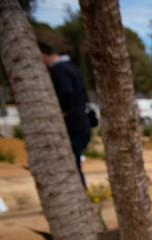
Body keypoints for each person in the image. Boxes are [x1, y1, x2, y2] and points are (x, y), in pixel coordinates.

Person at [38, 42, 91, 188]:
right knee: (74, 163)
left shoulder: (59, 70)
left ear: (42, 55)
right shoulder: (72, 67)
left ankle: (79, 196)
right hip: (81, 122)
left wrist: (62, 112)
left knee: (71, 164)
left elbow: (66, 91)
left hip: (73, 124)